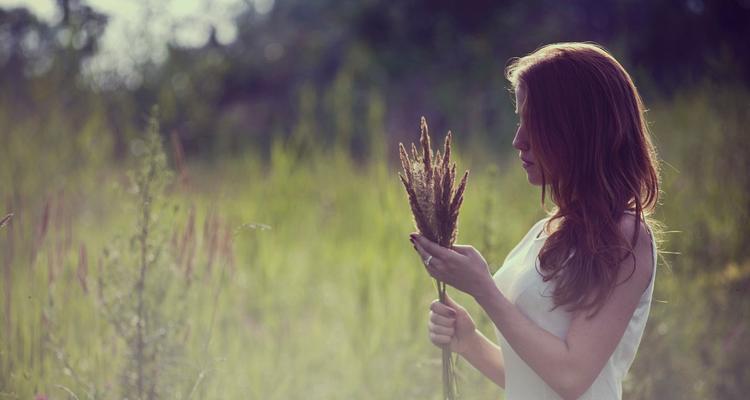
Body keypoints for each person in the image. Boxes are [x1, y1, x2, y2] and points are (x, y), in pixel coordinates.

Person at [409, 42, 661, 400]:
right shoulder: (546, 231)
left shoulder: (626, 236)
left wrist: (483, 288)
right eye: (520, 122)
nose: (518, 141)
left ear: (578, 130)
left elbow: (571, 378)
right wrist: (469, 342)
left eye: (534, 124)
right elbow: (532, 380)